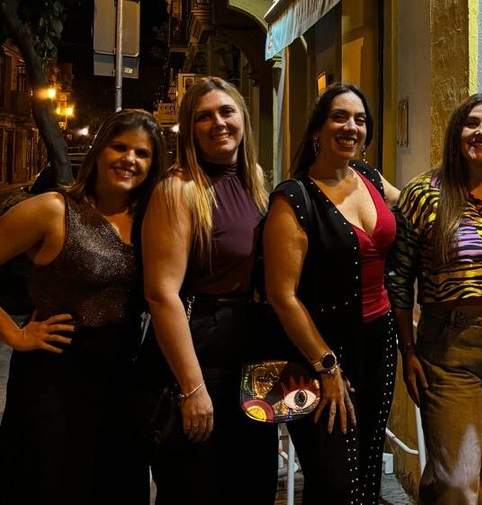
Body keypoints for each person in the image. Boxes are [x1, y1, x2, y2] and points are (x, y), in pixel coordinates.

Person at [0, 109, 167, 504]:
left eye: (142, 153)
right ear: (99, 151)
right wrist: (15, 335)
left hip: (123, 381)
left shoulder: (151, 220)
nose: (129, 159)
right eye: (119, 147)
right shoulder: (53, 209)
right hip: (55, 381)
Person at [387, 92, 482, 504]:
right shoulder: (424, 193)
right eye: (473, 123)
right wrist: (408, 349)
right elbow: (398, 277)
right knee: (457, 479)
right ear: (456, 131)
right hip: (450, 342)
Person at [140, 77, 278, 505]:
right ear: (190, 128)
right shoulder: (178, 190)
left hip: (251, 351)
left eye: (226, 111)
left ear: (243, 119)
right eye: (204, 116)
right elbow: (162, 294)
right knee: (197, 488)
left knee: (253, 485)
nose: (218, 123)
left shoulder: (255, 180)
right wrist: (192, 387)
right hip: (202, 352)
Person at [262, 83, 400, 504]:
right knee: (333, 482)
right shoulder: (293, 198)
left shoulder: (370, 177)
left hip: (378, 345)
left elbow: (417, 202)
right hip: (312, 355)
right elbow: (282, 295)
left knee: (367, 471)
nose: (351, 127)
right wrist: (326, 365)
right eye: (339, 117)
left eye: (360, 120)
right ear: (316, 130)